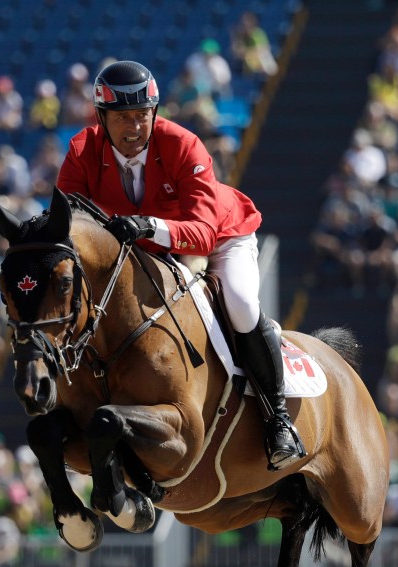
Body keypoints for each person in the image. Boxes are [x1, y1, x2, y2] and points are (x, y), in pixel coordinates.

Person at [56, 60, 305, 471]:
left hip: (221, 236)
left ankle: (278, 418)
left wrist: (148, 226)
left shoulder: (183, 145)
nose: (134, 127)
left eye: (142, 115)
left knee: (240, 305)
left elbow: (203, 235)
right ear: (102, 118)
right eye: (122, 118)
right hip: (145, 249)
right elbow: (65, 225)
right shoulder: (83, 150)